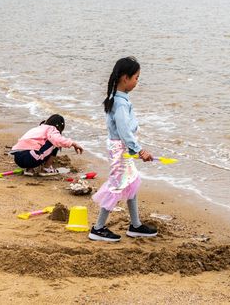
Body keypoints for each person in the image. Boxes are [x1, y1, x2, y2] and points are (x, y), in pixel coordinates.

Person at [88, 57, 157, 242]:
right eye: (136, 78)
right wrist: (139, 150)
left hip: (120, 147)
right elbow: (124, 131)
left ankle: (135, 225)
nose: (137, 82)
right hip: (120, 149)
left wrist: (134, 149)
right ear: (125, 78)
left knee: (131, 181)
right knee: (117, 185)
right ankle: (98, 228)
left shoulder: (118, 99)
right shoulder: (119, 103)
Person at [11, 114, 84, 176]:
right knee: (56, 143)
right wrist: (73, 144)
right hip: (30, 158)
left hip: (17, 158)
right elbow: (57, 140)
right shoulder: (52, 129)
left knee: (35, 145)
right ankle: (46, 168)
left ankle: (29, 169)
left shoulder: (38, 128)